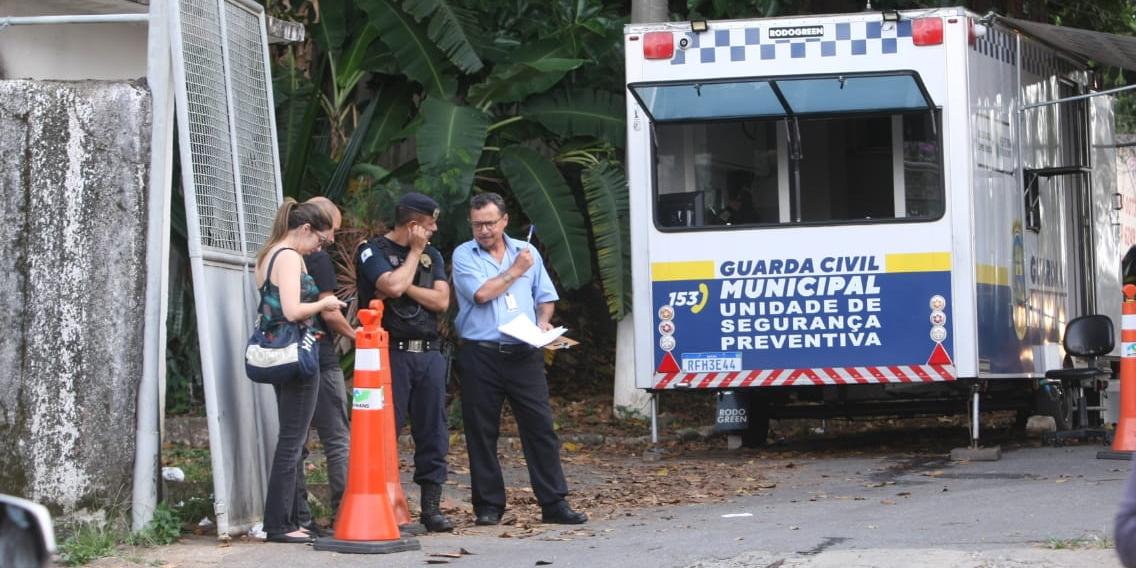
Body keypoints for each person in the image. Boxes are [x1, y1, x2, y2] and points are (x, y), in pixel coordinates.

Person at [451, 192, 587, 526]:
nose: (483, 231)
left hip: (524, 353)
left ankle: (554, 503)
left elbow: (546, 297)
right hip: (481, 354)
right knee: (481, 432)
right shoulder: (463, 255)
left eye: (489, 223)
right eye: (477, 224)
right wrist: (515, 270)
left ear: (504, 221)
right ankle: (488, 506)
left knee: (540, 428)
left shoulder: (528, 253)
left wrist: (543, 321)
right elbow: (482, 294)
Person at [355, 192, 454, 532]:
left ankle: (431, 509)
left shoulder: (433, 255)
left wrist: (405, 285)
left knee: (433, 432)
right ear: (413, 226)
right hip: (390, 353)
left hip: (428, 352)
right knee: (384, 432)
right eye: (429, 225)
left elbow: (441, 301)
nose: (434, 231)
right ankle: (383, 505)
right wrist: (412, 254)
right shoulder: (373, 251)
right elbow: (390, 286)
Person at [254, 199, 346, 543]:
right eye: (319, 242)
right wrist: (325, 303)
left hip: (280, 355)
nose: (318, 249)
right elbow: (292, 310)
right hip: (298, 357)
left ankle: (290, 519)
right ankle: (280, 523)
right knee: (291, 443)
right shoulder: (290, 256)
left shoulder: (268, 253)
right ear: (305, 229)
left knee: (290, 440)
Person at [293, 196, 353, 535]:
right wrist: (356, 335)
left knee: (294, 439)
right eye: (331, 231)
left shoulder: (279, 255)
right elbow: (330, 312)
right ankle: (344, 513)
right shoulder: (318, 259)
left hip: (289, 356)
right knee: (337, 438)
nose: (330, 239)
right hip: (320, 356)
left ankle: (299, 515)